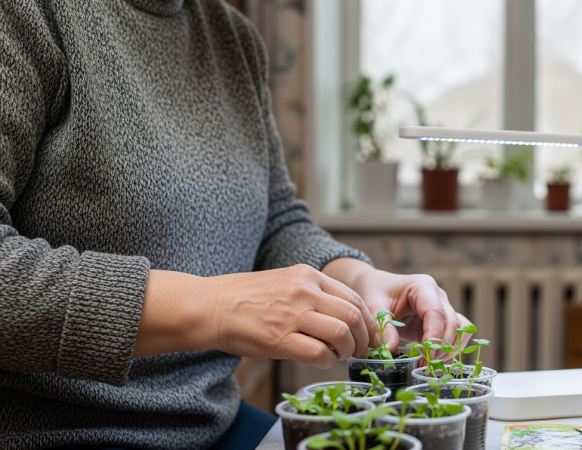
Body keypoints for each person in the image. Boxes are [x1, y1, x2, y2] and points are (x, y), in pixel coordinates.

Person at [0, 1, 471, 449]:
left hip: (212, 422)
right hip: (62, 432)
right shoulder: (29, 16)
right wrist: (214, 308)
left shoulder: (233, 37)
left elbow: (275, 221)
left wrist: (357, 278)